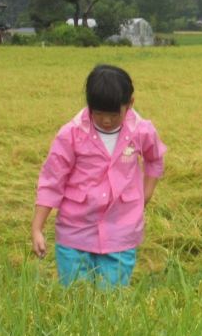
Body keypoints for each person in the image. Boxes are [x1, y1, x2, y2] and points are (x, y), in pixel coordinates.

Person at [32, 64, 166, 286]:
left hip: (121, 231)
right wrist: (37, 228)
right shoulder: (71, 134)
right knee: (75, 296)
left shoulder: (142, 131)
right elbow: (52, 181)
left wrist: (147, 192)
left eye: (113, 115)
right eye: (99, 114)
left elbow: (155, 158)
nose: (106, 121)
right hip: (75, 232)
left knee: (112, 298)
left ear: (130, 104)